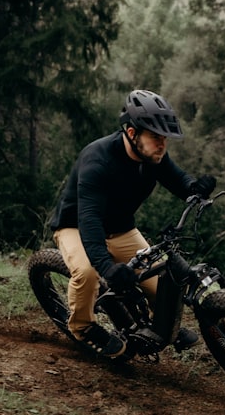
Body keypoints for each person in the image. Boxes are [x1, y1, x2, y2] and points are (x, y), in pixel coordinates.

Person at [48, 89, 216, 358]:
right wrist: (106, 266)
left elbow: (177, 179)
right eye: (155, 137)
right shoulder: (97, 160)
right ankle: (83, 327)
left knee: (161, 286)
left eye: (165, 138)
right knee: (88, 274)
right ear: (131, 132)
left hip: (122, 229)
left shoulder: (153, 156)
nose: (162, 144)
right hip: (76, 227)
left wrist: (195, 188)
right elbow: (89, 220)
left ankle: (159, 326)